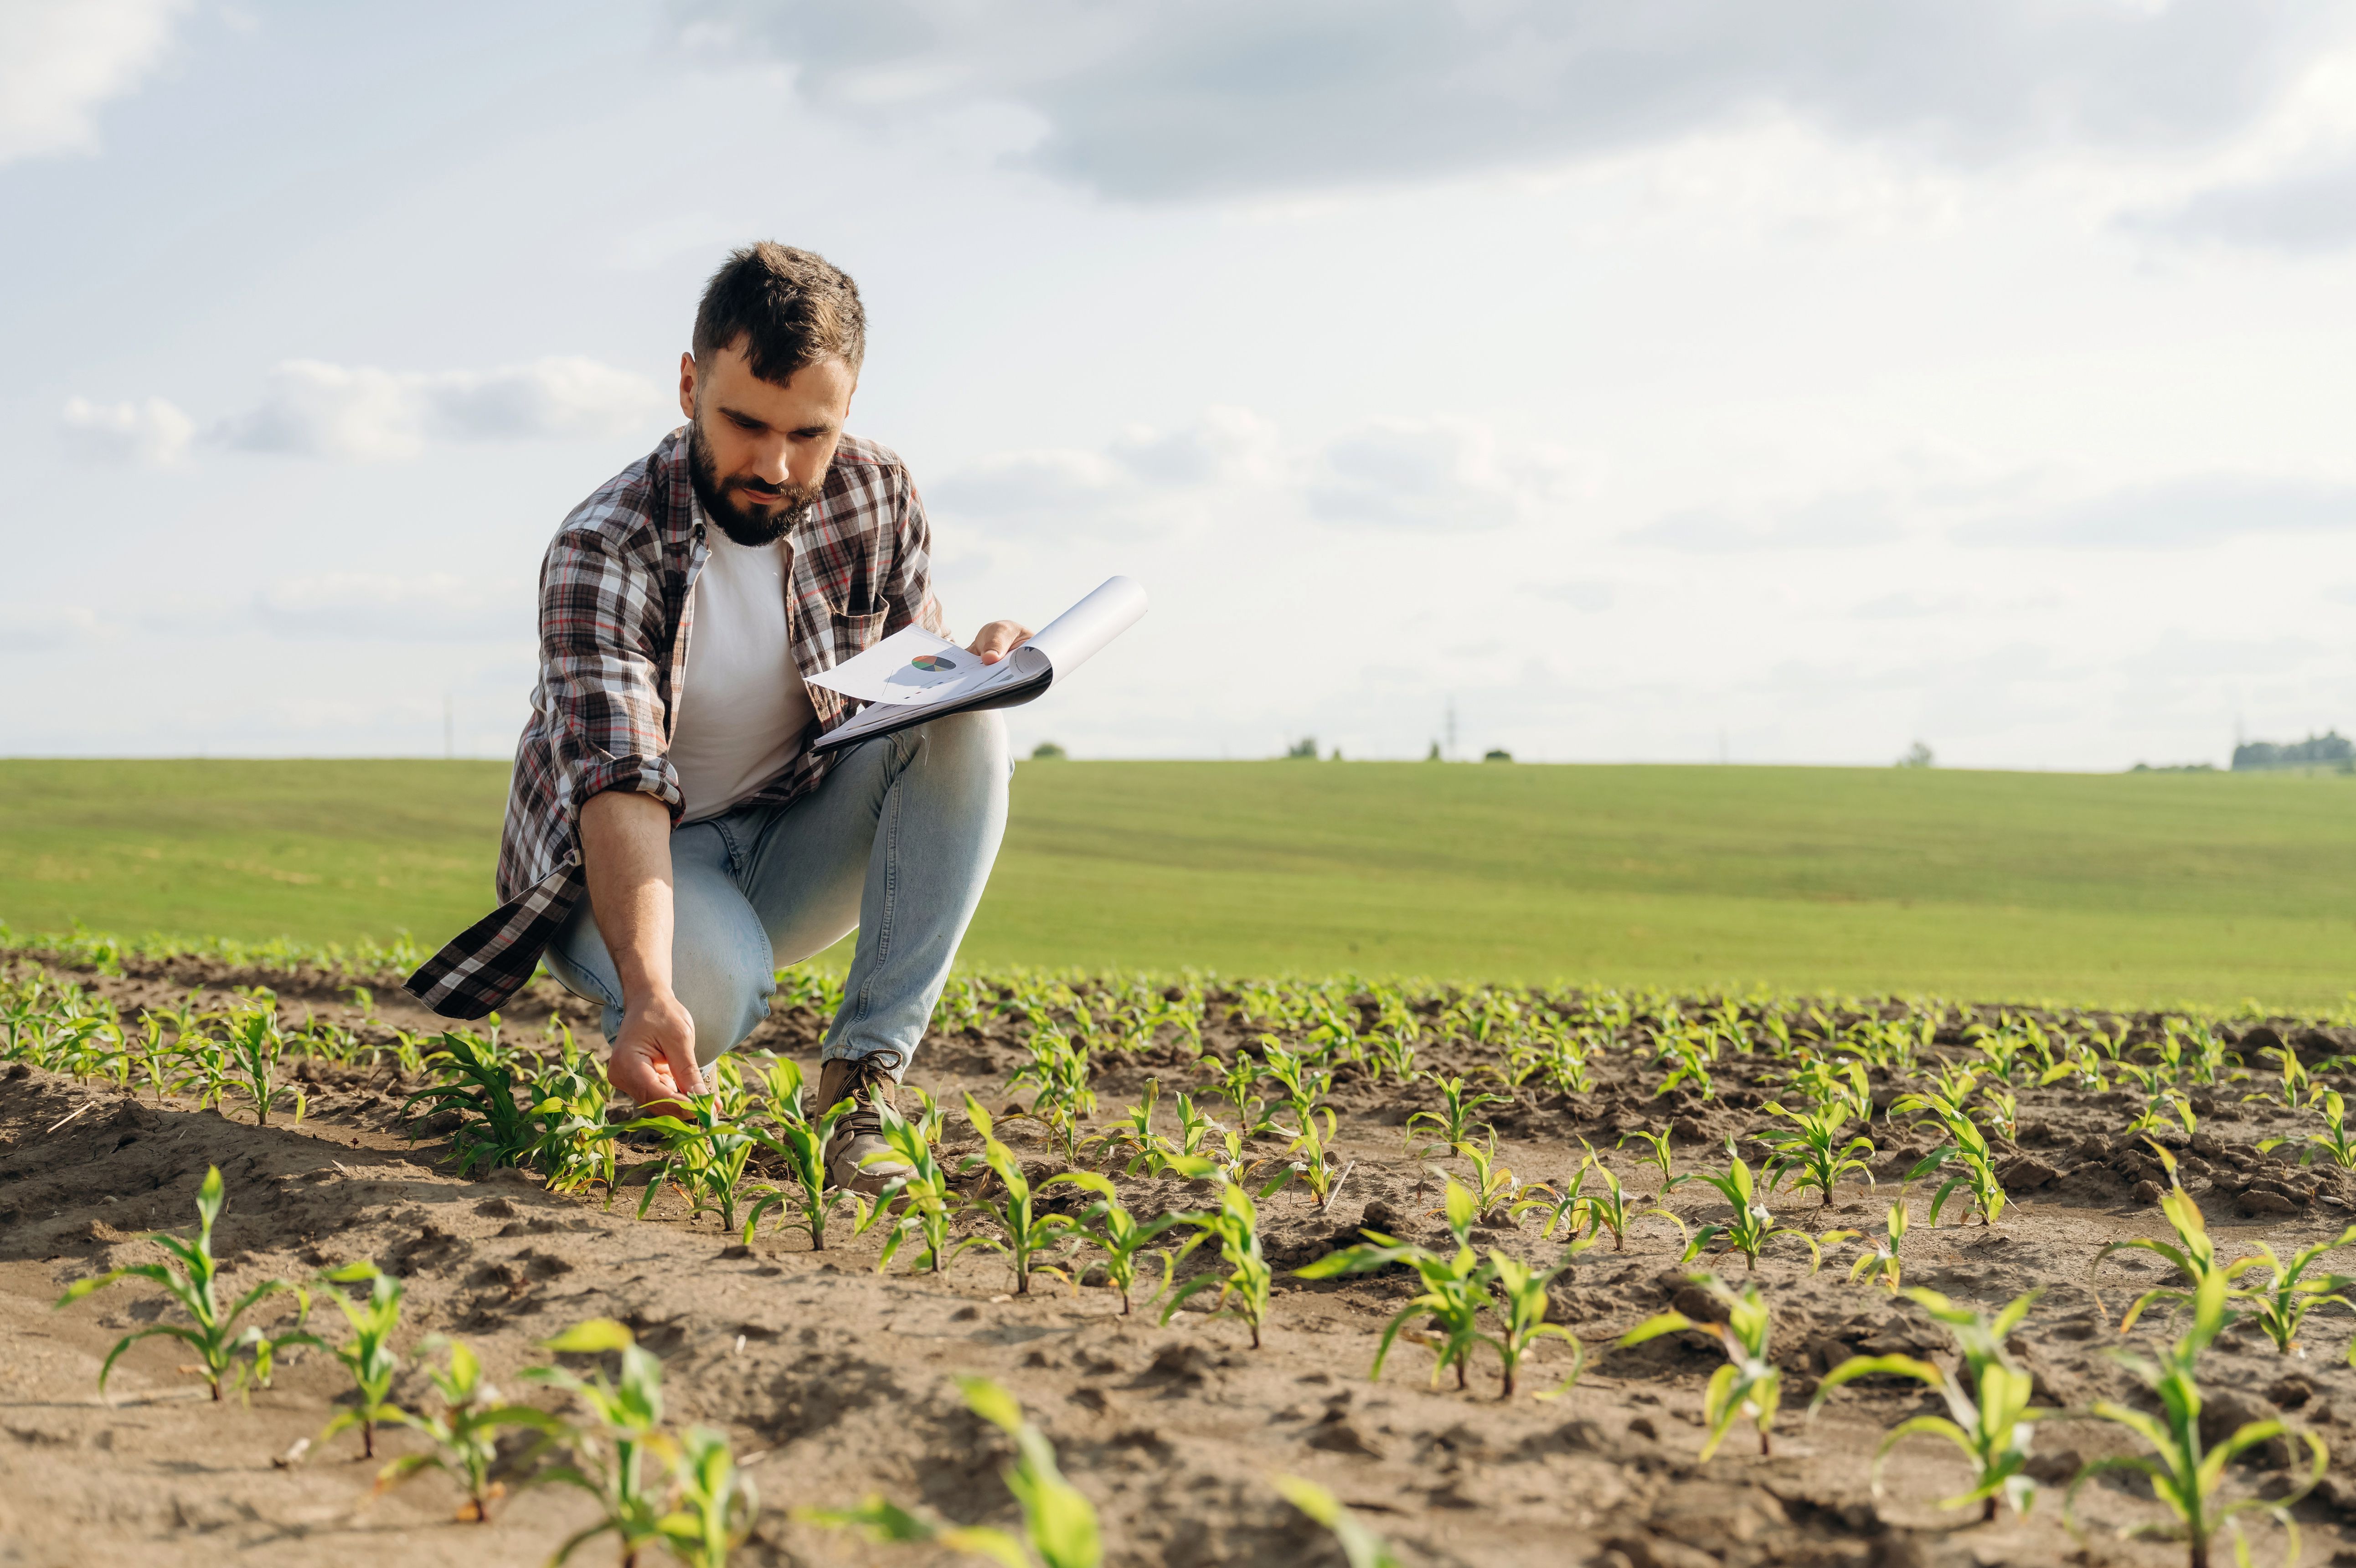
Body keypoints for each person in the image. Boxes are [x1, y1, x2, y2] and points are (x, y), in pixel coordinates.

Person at [406, 242, 1026, 1192]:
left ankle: (862, 1088)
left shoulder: (877, 493)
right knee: (704, 994)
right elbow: (620, 786)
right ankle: (650, 1022)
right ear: (690, 384)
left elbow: (908, 684)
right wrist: (651, 990)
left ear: (848, 409)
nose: (774, 465)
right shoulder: (602, 544)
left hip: (789, 833)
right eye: (744, 423)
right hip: (623, 866)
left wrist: (973, 665)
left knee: (969, 724)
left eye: (808, 433)